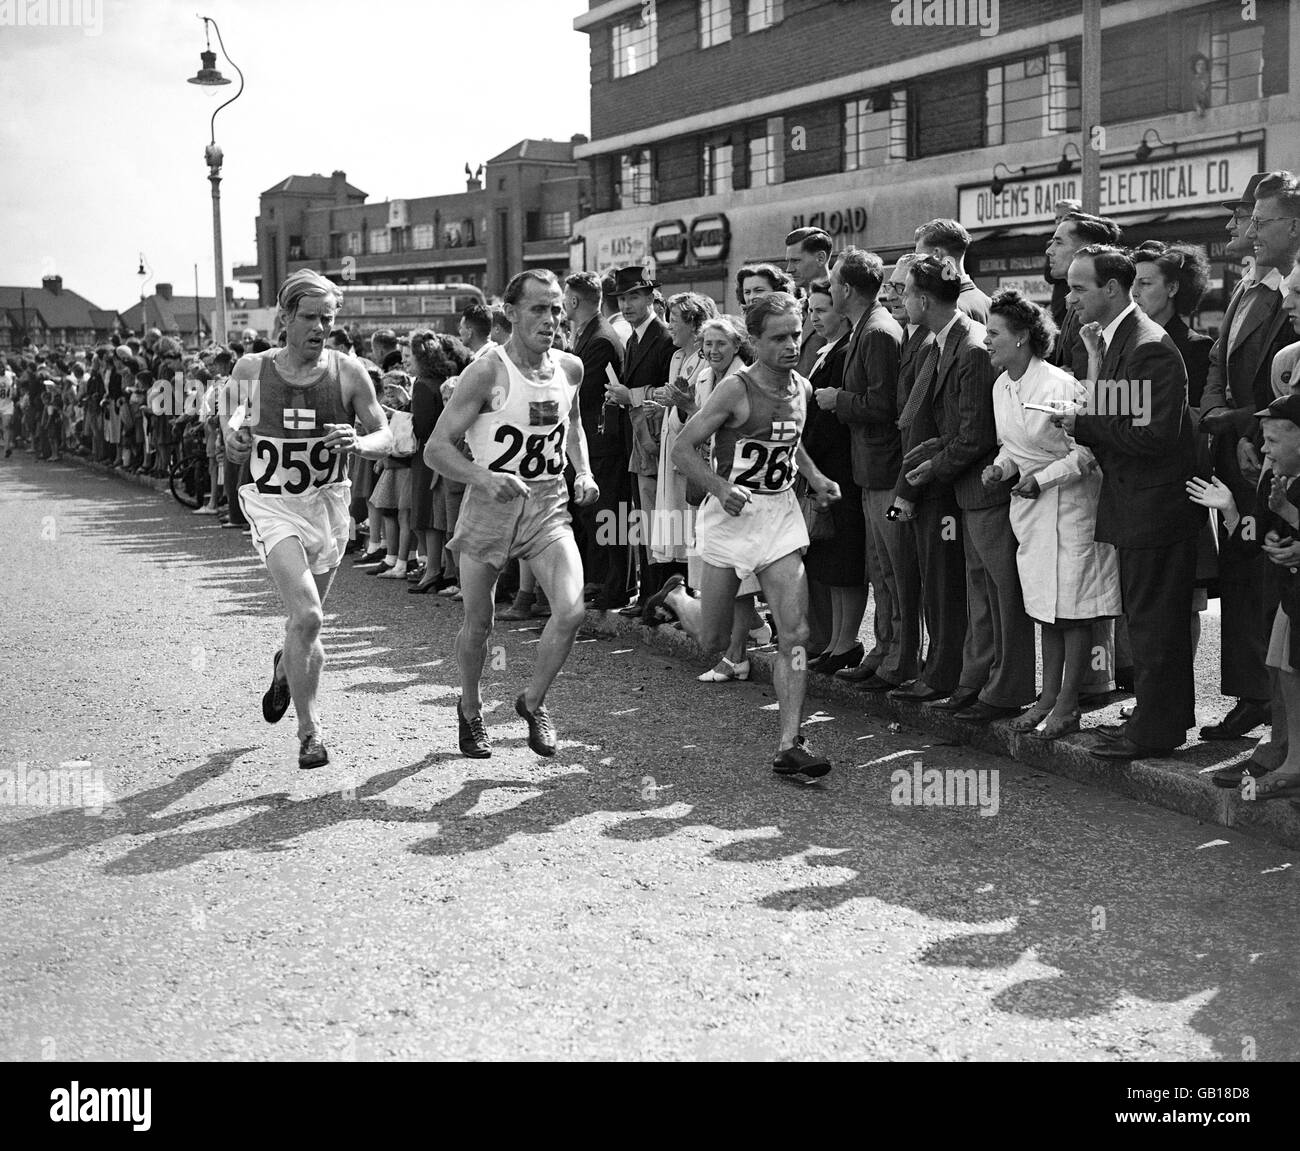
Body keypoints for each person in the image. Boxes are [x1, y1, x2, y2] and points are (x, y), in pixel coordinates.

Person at [652, 292, 842, 779]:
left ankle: (790, 741)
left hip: (778, 517)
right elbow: (683, 447)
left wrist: (815, 479)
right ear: (754, 342)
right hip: (730, 519)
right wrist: (718, 485)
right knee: (713, 642)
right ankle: (677, 596)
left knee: (795, 632)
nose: (792, 345)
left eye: (797, 334)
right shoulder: (734, 390)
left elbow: (789, 443)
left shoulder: (801, 384)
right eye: (779, 337)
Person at [425, 269, 599, 759]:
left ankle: (532, 701)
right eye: (539, 309)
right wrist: (484, 477)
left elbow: (574, 426)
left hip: (547, 503)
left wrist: (581, 471)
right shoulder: (487, 371)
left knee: (571, 610)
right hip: (490, 506)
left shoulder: (570, 368)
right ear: (512, 312)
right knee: (480, 623)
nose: (551, 319)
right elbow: (436, 450)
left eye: (557, 308)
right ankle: (471, 708)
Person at [223, 269, 392, 769]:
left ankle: (285, 668)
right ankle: (309, 731)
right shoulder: (251, 369)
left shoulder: (349, 372)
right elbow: (230, 424)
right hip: (272, 503)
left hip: (327, 506)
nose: (322, 328)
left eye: (329, 318)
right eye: (312, 318)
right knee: (310, 615)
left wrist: (360, 443)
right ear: (286, 318)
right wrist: (233, 439)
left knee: (305, 627)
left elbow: (387, 433)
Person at [1053, 245, 1202, 759]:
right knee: (1146, 619)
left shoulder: (1146, 346)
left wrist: (1083, 423)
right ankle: (1161, 717)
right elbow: (1122, 417)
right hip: (1137, 502)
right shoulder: (1119, 340)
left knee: (1155, 622)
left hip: (1154, 507)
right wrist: (1090, 409)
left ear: (1110, 290)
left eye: (1079, 288)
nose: (1070, 298)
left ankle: (1154, 732)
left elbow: (1153, 435)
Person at [981, 290, 1121, 739]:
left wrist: (1040, 480)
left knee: (1074, 611)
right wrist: (1001, 468)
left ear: (1022, 337)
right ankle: (1046, 697)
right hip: (1031, 512)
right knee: (1046, 608)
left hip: (1073, 509)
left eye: (994, 332)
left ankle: (1067, 705)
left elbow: (1090, 452)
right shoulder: (1003, 385)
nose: (987, 340)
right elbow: (1014, 446)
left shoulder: (1059, 385)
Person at [1199, 171, 1300, 743]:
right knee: (1243, 581)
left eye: (1257, 220)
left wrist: (1247, 429)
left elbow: (1280, 383)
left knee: (1271, 581)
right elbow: (1219, 362)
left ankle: (1272, 711)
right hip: (1239, 446)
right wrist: (1220, 419)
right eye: (1248, 220)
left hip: (1271, 449)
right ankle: (1250, 694)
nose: (1245, 230)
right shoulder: (1245, 286)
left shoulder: (1289, 289)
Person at [1188, 395, 1300, 798]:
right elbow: (1253, 539)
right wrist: (1233, 510)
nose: (1262, 449)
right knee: (1281, 665)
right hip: (1291, 598)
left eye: (1271, 440)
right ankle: (1289, 760)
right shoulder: (1277, 479)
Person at [818, 247, 914, 691]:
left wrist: (840, 401)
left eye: (834, 282)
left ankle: (898, 658)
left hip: (887, 479)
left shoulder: (877, 332)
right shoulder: (866, 328)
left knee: (895, 567)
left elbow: (885, 403)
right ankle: (883, 652)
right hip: (870, 476)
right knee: (880, 569)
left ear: (848, 289)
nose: (829, 288)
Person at [802, 278, 868, 673]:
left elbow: (829, 417)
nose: (815, 316)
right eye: (811, 310)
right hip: (824, 468)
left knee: (846, 560)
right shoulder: (827, 351)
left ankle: (847, 641)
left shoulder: (845, 352)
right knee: (829, 561)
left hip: (840, 468)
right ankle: (836, 641)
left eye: (822, 309)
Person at [603, 265, 676, 609]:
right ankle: (647, 593)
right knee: (642, 520)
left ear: (650, 297)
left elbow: (668, 391)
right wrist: (621, 395)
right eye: (622, 297)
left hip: (657, 440)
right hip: (639, 439)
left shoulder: (662, 337)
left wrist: (628, 395)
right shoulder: (633, 338)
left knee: (659, 521)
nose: (627, 304)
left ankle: (656, 594)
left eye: (634, 296)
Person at [563, 272, 629, 611]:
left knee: (608, 516)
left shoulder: (601, 338)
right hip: (592, 438)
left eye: (564, 297)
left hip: (602, 440)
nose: (562, 304)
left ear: (574, 301)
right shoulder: (587, 334)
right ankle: (600, 581)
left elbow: (581, 391)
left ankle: (612, 584)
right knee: (594, 515)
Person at [651, 292, 716, 574]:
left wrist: (679, 406)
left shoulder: (706, 360)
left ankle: (693, 594)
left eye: (674, 319)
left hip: (693, 453)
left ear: (693, 322)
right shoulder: (677, 356)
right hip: (673, 446)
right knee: (676, 524)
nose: (669, 326)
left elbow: (704, 407)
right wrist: (664, 408)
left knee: (691, 526)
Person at [409, 330, 473, 594]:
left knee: (428, 514)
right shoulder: (445, 380)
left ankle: (433, 569)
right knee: (442, 516)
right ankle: (444, 570)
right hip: (450, 449)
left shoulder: (422, 384)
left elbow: (423, 427)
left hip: (428, 454)